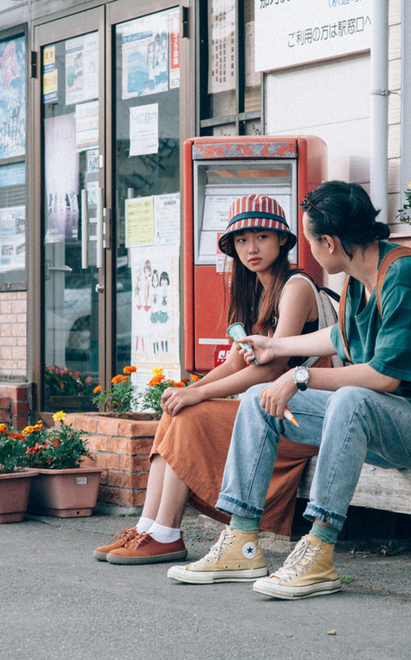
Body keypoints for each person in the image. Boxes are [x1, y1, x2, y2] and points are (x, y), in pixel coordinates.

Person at [165, 181, 411, 597]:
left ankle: (318, 550)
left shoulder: (403, 276)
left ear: (329, 242)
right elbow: (341, 336)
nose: (310, 251)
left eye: (311, 239)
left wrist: (299, 377)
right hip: (385, 423)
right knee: (259, 403)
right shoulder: (360, 277)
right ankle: (242, 541)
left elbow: (384, 377)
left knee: (352, 398)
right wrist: (275, 346)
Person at [95, 194, 323, 565]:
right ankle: (147, 528)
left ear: (282, 239)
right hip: (265, 406)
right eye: (242, 240)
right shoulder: (252, 292)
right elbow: (236, 364)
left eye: (261, 237)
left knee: (193, 415)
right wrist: (189, 390)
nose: (251, 248)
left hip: (296, 413)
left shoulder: (295, 287)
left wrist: (197, 398)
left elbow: (270, 370)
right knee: (175, 411)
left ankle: (168, 533)